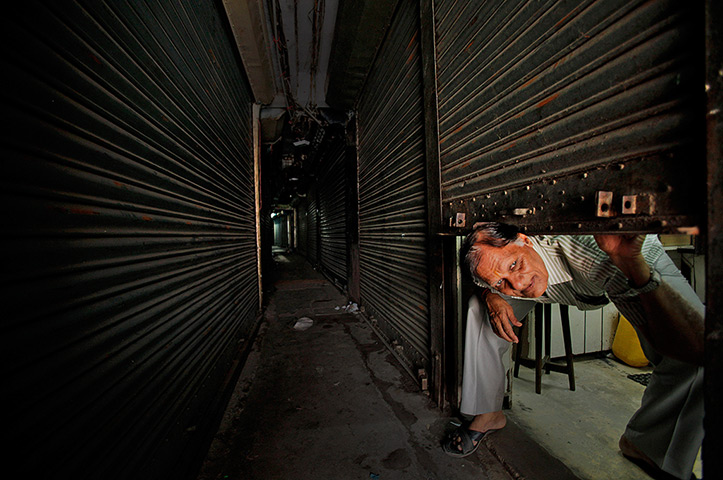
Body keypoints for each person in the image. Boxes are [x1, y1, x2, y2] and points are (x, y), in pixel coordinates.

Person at [442, 222, 704, 480]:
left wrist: (634, 267)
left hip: (622, 267)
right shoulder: (509, 276)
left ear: (525, 239)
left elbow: (681, 345)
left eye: (514, 264)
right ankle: (489, 413)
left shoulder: (602, 253)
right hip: (564, 279)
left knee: (699, 355)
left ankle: (650, 447)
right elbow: (490, 272)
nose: (518, 284)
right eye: (501, 282)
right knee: (479, 308)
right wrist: (492, 295)